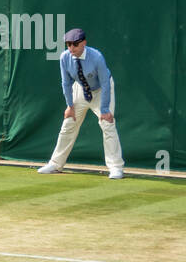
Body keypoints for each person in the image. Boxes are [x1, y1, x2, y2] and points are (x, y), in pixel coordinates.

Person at [36, 27, 124, 180]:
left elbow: (105, 82)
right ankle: (56, 164)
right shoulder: (64, 57)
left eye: (74, 44)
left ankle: (116, 167)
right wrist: (70, 106)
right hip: (81, 89)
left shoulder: (96, 57)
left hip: (102, 90)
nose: (71, 48)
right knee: (68, 123)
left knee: (107, 124)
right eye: (68, 44)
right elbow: (66, 83)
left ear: (83, 43)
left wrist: (104, 109)